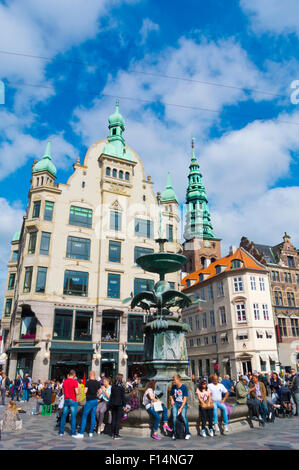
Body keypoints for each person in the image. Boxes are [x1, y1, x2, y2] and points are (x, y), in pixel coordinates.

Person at [74, 371, 101, 438]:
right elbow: (100, 392)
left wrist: (86, 392)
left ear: (90, 375)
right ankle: (91, 432)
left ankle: (81, 433)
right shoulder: (98, 382)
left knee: (84, 416)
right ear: (94, 375)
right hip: (95, 400)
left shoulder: (88, 382)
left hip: (89, 401)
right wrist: (96, 395)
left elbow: (85, 391)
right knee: (93, 416)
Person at [59, 369, 80, 437]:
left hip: (66, 399)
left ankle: (61, 432)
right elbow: (76, 392)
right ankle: (73, 433)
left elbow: (62, 391)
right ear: (74, 374)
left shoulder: (65, 381)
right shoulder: (75, 382)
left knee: (64, 415)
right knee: (73, 416)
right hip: (73, 400)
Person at [170, 374, 191, 440]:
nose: (174, 382)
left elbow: (185, 399)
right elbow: (170, 395)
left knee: (183, 416)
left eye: (175, 380)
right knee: (174, 417)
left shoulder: (184, 387)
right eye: (173, 380)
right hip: (176, 404)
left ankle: (187, 433)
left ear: (179, 380)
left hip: (183, 404)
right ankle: (174, 433)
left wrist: (181, 408)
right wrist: (172, 400)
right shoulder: (174, 387)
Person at [109, 373, 127, 439]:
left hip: (113, 403)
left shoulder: (113, 385)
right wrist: (125, 405)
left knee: (113, 418)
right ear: (120, 378)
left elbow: (112, 395)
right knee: (118, 419)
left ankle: (112, 433)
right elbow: (123, 396)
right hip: (119, 404)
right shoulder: (121, 386)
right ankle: (116, 434)